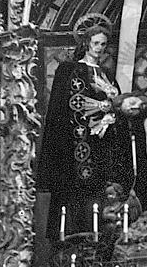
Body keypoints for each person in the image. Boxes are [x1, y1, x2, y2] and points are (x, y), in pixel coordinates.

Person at [37, 15, 135, 240]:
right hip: (77, 143)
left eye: (103, 44)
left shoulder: (107, 75)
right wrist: (98, 110)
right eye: (96, 43)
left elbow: (118, 105)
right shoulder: (69, 70)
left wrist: (112, 116)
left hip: (103, 144)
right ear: (86, 43)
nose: (99, 48)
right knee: (77, 195)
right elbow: (64, 107)